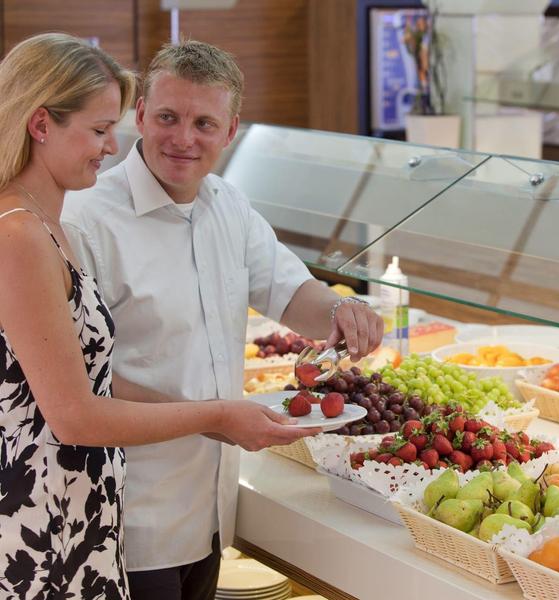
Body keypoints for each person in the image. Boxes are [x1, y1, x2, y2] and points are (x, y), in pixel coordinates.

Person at [62, 40, 383, 600]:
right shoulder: (85, 220)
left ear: (230, 131)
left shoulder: (228, 205)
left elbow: (291, 293)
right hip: (125, 516)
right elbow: (81, 382)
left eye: (204, 123)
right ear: (139, 116)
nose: (184, 138)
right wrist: (214, 417)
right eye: (168, 117)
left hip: (211, 511)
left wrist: (341, 310)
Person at [0, 34, 316, 600]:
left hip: (86, 505)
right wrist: (216, 415)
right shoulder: (28, 230)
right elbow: (75, 411)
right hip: (52, 515)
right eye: (99, 130)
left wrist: (344, 311)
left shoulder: (45, 223)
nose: (108, 147)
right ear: (41, 124)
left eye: (110, 129)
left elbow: (78, 379)